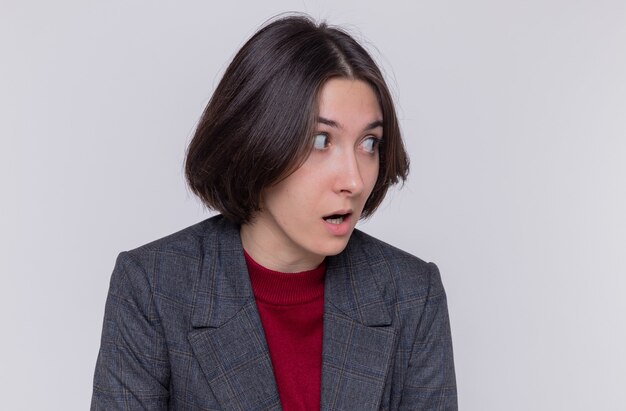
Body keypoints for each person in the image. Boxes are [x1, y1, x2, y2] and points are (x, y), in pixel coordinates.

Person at [91, 14, 457, 411]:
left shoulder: (412, 295)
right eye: (321, 140)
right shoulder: (153, 287)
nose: (353, 180)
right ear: (256, 141)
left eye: (369, 143)